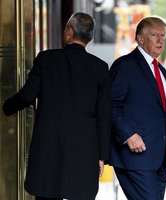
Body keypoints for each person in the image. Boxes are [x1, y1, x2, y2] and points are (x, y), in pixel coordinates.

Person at [2, 12, 111, 200]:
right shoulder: (100, 67)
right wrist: (101, 156)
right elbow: (104, 116)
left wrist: (6, 107)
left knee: (46, 193)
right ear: (90, 38)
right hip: (84, 149)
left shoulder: (46, 60)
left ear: (69, 32)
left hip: (48, 147)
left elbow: (27, 96)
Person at [108, 16, 166, 200]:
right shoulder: (124, 66)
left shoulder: (161, 71)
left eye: (163, 36)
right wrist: (128, 134)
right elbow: (109, 105)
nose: (160, 40)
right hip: (134, 158)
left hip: (159, 159)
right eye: (155, 35)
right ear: (140, 38)